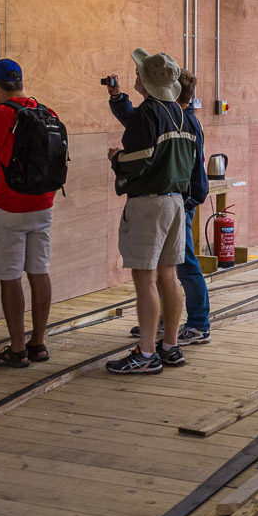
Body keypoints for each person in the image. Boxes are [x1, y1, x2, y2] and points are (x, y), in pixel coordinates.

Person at [105, 49, 198, 374]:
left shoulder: (149, 112)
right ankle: (170, 347)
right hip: (176, 202)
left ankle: (145, 354)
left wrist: (117, 158)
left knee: (145, 280)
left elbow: (141, 155)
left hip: (148, 203)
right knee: (169, 277)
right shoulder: (181, 113)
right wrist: (118, 99)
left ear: (145, 80)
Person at [0, 59, 57, 368]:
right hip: (43, 204)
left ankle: (17, 349)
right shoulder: (46, 111)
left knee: (10, 276)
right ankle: (39, 344)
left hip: (6, 207)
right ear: (20, 82)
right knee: (39, 271)